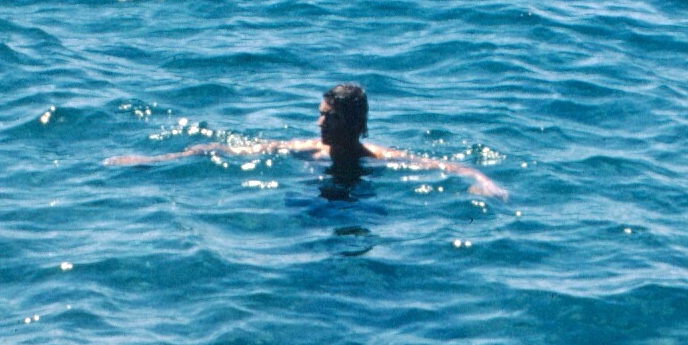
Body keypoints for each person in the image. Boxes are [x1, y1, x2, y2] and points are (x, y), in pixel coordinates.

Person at [107, 83, 508, 199]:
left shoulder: (380, 156)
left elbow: (450, 166)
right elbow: (225, 148)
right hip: (315, 197)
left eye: (329, 117)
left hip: (362, 196)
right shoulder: (309, 149)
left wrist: (484, 181)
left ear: (353, 122)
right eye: (319, 114)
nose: (319, 123)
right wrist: (153, 159)